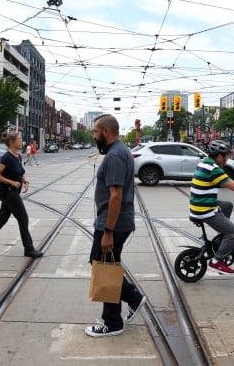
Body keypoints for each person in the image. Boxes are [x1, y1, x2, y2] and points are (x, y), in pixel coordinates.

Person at [84, 114, 145, 338]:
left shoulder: (115, 156)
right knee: (105, 265)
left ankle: (113, 321)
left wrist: (108, 231)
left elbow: (116, 195)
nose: (94, 136)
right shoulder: (118, 152)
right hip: (115, 222)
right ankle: (128, 305)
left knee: (103, 266)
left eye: (95, 132)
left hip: (113, 224)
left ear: (106, 132)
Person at [189, 140, 234, 274]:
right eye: (226, 156)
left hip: (198, 205)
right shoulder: (214, 169)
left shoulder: (204, 163)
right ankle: (216, 261)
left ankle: (221, 239)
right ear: (219, 157)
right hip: (205, 210)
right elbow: (233, 185)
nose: (227, 159)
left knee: (227, 206)